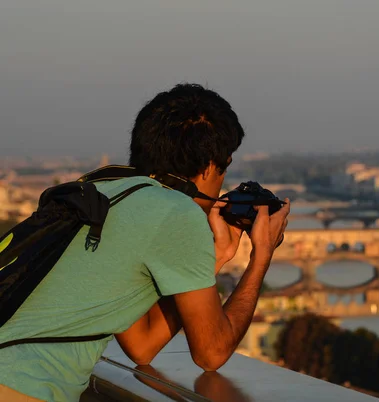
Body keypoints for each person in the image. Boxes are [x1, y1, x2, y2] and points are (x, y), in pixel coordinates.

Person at [0, 83, 290, 401]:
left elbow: (143, 345)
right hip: (20, 387)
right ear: (210, 166)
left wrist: (215, 256)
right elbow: (211, 353)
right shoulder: (176, 213)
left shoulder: (108, 192)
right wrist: (261, 256)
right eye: (224, 169)